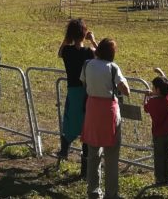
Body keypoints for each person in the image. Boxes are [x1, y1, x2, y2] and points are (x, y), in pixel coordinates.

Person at [80, 38, 131, 199]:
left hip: (92, 110)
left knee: (93, 153)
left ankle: (93, 190)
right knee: (111, 155)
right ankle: (111, 193)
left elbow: (83, 82)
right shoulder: (113, 67)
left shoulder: (87, 64)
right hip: (108, 112)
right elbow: (126, 90)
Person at [56, 18, 97, 172]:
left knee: (69, 122)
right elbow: (104, 56)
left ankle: (64, 150)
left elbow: (60, 52)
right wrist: (93, 40)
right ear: (84, 33)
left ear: (70, 35)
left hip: (73, 91)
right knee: (87, 128)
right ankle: (85, 169)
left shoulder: (67, 51)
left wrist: (67, 39)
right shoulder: (89, 52)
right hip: (87, 92)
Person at [144, 75, 168, 186]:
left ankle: (160, 178)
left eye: (153, 87)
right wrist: (161, 73)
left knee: (159, 156)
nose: (151, 89)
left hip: (158, 134)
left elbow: (145, 108)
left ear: (158, 90)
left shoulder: (152, 102)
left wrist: (146, 96)